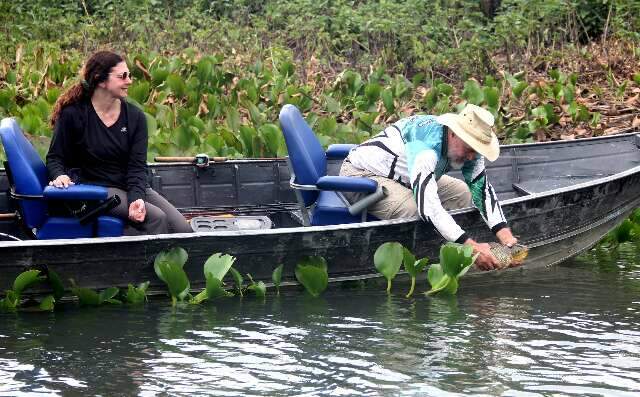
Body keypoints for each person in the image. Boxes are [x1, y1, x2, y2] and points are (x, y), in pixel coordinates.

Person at [340, 104, 517, 270]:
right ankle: (431, 259)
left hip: (408, 176)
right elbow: (428, 208)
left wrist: (503, 232)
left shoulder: (469, 149)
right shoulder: (425, 149)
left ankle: (469, 252)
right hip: (363, 175)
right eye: (469, 149)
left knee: (463, 193)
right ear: (453, 133)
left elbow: (481, 190)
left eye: (476, 151)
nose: (472, 157)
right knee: (416, 211)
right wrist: (470, 246)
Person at [46, 50, 192, 235]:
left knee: (182, 229)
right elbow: (55, 157)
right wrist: (59, 175)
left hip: (128, 184)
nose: (129, 81)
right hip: (95, 188)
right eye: (123, 76)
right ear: (101, 80)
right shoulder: (74, 114)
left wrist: (136, 198)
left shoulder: (135, 117)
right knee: (156, 219)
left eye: (129, 75)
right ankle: (133, 260)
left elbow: (137, 167)